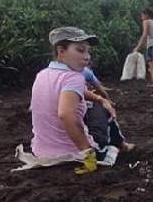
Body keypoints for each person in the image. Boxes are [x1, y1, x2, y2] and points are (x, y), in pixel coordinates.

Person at [31, 27, 134, 175]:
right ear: (61, 51)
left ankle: (119, 143)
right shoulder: (75, 77)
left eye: (88, 51)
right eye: (80, 50)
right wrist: (87, 154)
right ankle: (119, 145)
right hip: (73, 155)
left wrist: (99, 97)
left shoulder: (43, 74)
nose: (87, 57)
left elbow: (70, 93)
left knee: (95, 103)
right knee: (101, 109)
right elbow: (65, 114)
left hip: (42, 152)